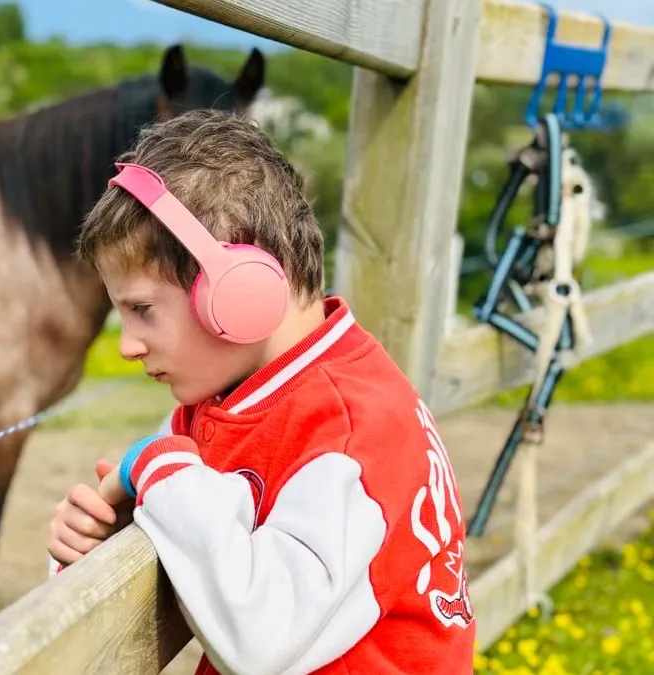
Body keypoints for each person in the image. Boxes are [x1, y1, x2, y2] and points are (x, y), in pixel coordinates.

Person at [46, 109, 475, 675]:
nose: (127, 345)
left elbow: (262, 640)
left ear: (237, 289)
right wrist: (105, 538)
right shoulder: (238, 396)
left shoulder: (350, 435)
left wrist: (156, 467)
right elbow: (193, 523)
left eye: (142, 309)